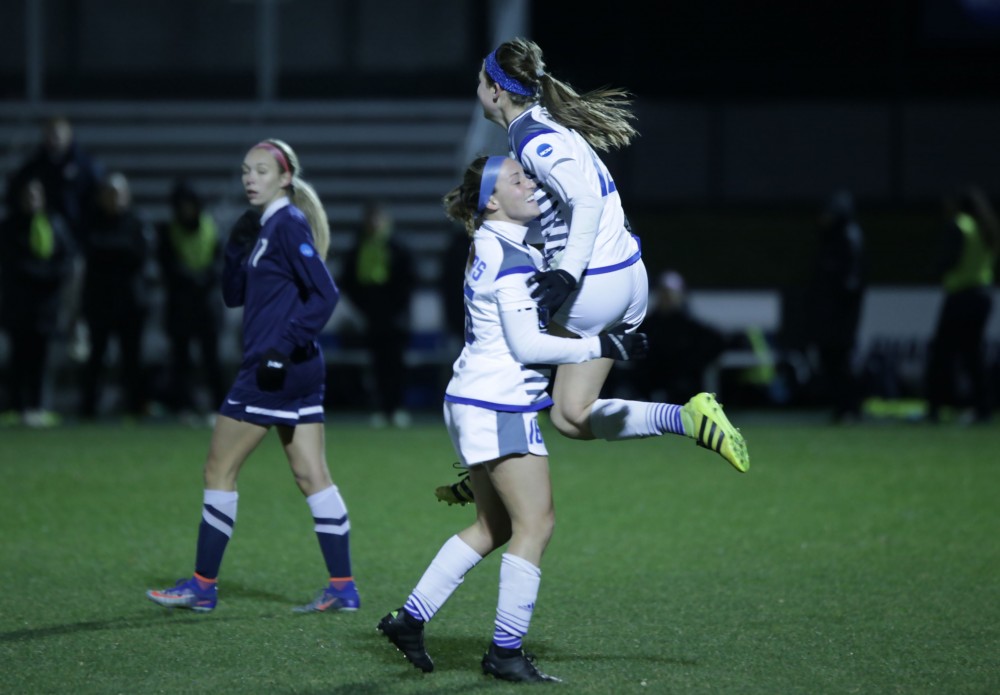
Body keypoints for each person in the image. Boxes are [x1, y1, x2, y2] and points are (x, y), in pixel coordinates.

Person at [435, 37, 749, 505]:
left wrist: (565, 272)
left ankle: (485, 467)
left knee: (513, 352)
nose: (476, 86)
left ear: (496, 93)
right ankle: (688, 419)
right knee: (570, 415)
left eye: (481, 79)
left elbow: (584, 200)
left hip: (593, 283)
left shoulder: (535, 138)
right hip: (627, 276)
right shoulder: (543, 128)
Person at [376, 155, 649, 683]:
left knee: (493, 525)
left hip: (477, 398)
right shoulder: (510, 257)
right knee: (536, 524)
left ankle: (409, 620)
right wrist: (605, 343)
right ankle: (504, 652)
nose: (532, 183)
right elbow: (527, 343)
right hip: (498, 403)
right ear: (493, 201)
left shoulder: (499, 246)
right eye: (517, 179)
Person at [146, 139, 359, 614]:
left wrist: (280, 348)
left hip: (272, 370)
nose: (249, 178)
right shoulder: (267, 227)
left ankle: (202, 585)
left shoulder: (287, 223)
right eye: (245, 170)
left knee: (218, 470)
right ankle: (342, 587)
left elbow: (324, 295)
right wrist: (234, 248)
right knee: (311, 475)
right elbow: (233, 295)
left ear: (285, 178)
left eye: (261, 171)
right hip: (296, 368)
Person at [78, 171, 155, 419]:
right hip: (99, 302)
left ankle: (135, 408)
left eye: (118, 193)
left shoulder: (136, 221)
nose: (114, 199)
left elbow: (138, 255)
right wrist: (119, 251)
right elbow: (92, 251)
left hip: (131, 303)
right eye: (109, 194)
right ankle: (88, 409)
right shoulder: (92, 221)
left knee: (132, 359)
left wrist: (109, 251)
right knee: (96, 358)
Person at [0, 177, 75, 427]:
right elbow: (12, 265)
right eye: (27, 195)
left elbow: (65, 262)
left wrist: (40, 273)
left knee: (41, 359)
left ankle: (39, 406)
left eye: (35, 195)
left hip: (46, 306)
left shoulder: (54, 224)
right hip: (18, 305)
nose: (31, 200)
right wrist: (41, 272)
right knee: (19, 357)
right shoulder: (9, 226)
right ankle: (16, 406)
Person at [923, 184, 998, 423]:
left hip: (961, 296)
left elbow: (948, 260)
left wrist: (934, 270)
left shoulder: (960, 225)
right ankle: (983, 407)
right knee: (972, 355)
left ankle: (937, 406)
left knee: (942, 354)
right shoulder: (987, 227)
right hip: (983, 297)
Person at [337, 200, 416, 428]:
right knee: (378, 367)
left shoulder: (398, 247)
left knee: (396, 366)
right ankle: (381, 408)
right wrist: (364, 307)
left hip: (396, 319)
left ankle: (397, 407)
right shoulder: (359, 247)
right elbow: (349, 281)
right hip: (373, 318)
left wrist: (398, 309)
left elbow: (408, 281)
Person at [157, 179, 226, 418]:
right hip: (181, 304)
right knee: (181, 360)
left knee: (212, 360)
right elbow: (167, 266)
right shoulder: (168, 231)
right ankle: (182, 406)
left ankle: (219, 407)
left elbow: (220, 263)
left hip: (207, 304)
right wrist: (192, 279)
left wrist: (201, 279)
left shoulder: (211, 229)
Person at [807, 191, 867, 422]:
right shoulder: (832, 237)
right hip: (831, 313)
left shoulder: (848, 236)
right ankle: (842, 407)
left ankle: (849, 407)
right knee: (832, 359)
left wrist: (838, 303)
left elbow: (850, 280)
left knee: (840, 358)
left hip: (840, 314)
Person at [630, 269, 728, 403]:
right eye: (664, 292)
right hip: (650, 389)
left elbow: (718, 344)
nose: (667, 297)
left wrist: (693, 365)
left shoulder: (693, 328)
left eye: (671, 293)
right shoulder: (646, 326)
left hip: (684, 391)